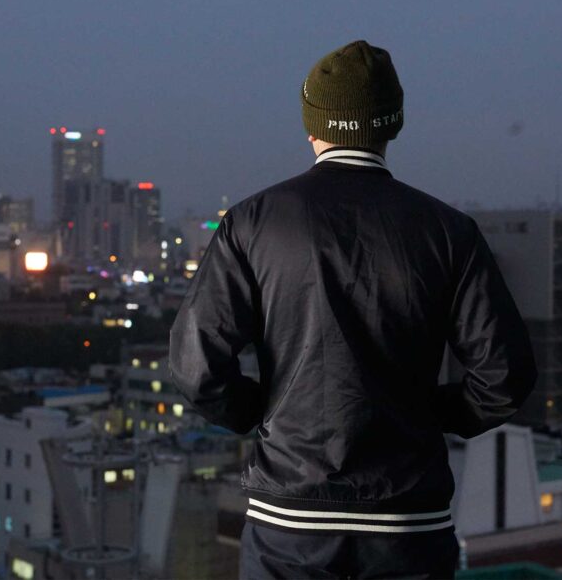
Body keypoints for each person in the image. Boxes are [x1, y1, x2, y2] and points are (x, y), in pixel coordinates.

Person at [169, 39, 538, 579]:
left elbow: (196, 368)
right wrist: (427, 416)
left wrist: (265, 413)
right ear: (392, 126)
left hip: (289, 519)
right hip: (407, 520)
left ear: (310, 124)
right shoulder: (448, 231)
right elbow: (504, 376)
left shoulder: (253, 222)